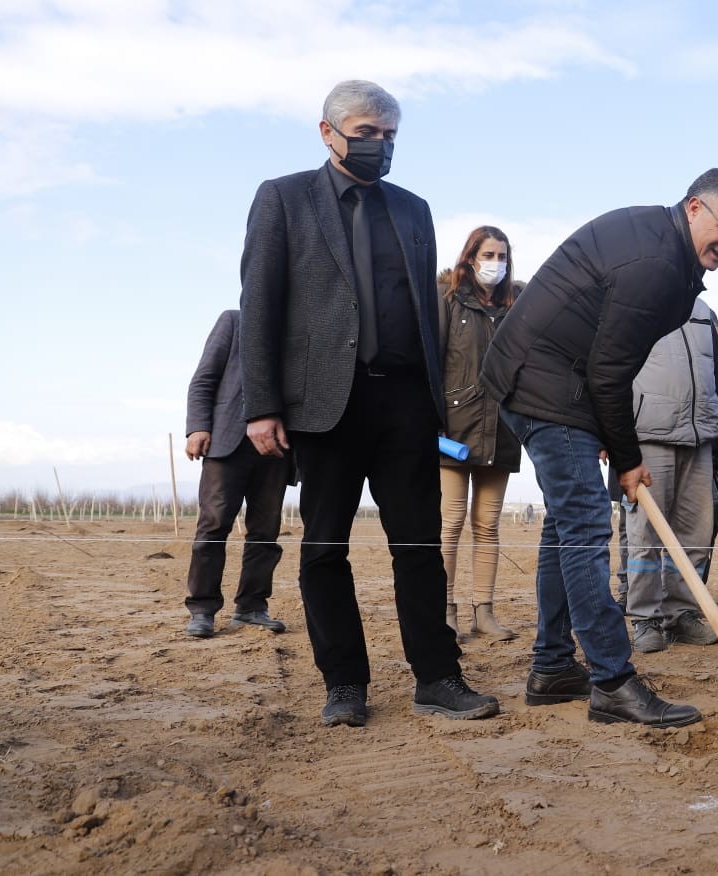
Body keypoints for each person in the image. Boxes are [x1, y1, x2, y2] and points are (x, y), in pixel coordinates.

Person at [239, 80, 498, 727]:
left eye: (389, 137)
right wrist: (261, 404)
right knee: (325, 548)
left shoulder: (413, 210)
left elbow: (425, 313)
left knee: (418, 545)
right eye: (366, 133)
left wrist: (439, 403)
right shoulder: (284, 198)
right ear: (328, 133)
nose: (378, 146)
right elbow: (260, 304)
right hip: (326, 406)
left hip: (406, 401)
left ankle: (438, 676)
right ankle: (345, 684)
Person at [480, 168, 718, 727]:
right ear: (693, 208)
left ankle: (553, 666)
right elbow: (612, 372)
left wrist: (608, 435)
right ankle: (612, 680)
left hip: (549, 379)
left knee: (565, 524)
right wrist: (628, 456)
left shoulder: (663, 248)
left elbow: (611, 361)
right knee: (586, 523)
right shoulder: (656, 265)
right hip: (544, 381)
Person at [622, 298, 718, 652]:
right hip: (649, 435)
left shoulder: (704, 313)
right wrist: (615, 435)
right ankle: (645, 618)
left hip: (700, 439)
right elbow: (613, 369)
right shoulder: (637, 301)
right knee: (645, 534)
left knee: (695, 534)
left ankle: (682, 614)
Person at [183, 309, 294, 639]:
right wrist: (198, 426)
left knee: (266, 531)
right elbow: (204, 378)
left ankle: (252, 607)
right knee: (214, 525)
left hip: (277, 447)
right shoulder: (234, 321)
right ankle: (202, 609)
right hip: (225, 443)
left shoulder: (301, 330)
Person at [437, 226, 522, 642]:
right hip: (454, 429)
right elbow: (433, 363)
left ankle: (483, 612)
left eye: (502, 255)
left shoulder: (515, 306)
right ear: (470, 257)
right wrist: (433, 424)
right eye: (488, 254)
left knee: (488, 524)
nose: (496, 262)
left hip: (501, 429)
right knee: (450, 522)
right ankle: (446, 610)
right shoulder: (449, 300)